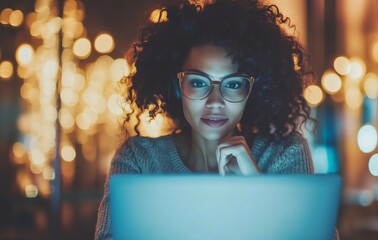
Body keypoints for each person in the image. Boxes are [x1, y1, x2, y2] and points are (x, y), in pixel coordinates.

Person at [95, 0, 335, 239]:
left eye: (233, 84)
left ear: (252, 91)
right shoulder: (138, 159)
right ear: (177, 88)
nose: (215, 101)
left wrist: (258, 190)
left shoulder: (285, 154)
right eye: (198, 82)